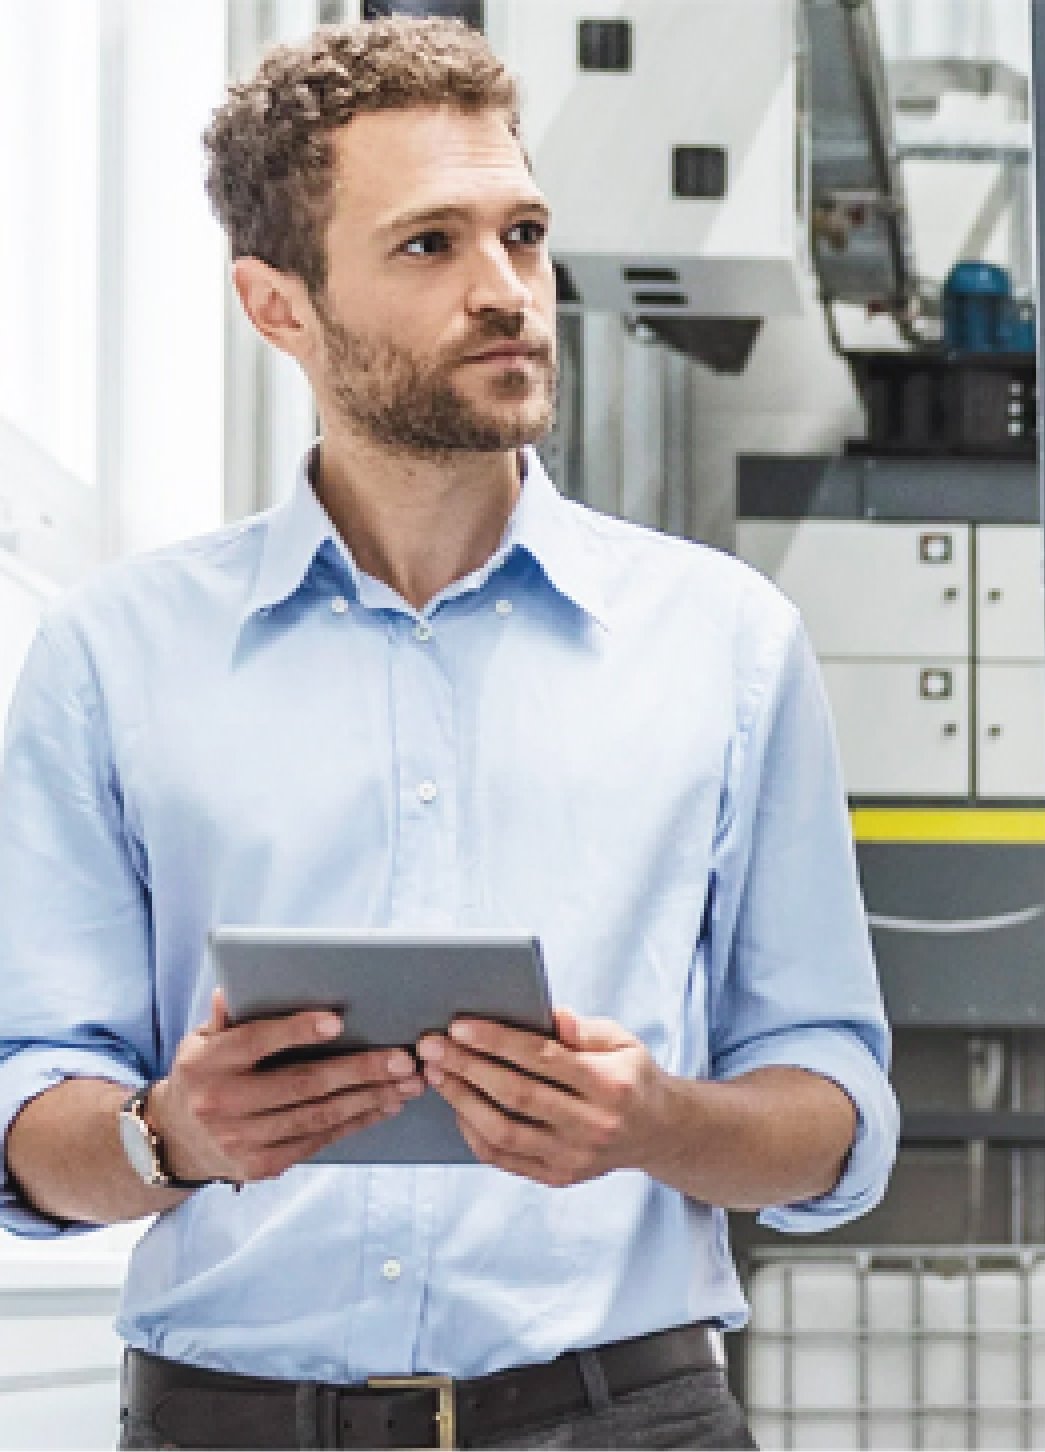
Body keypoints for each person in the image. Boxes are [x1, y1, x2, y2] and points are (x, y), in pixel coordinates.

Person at [0, 18, 897, 1450]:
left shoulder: (723, 641)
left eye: (523, 235)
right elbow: (30, 1119)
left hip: (624, 1416)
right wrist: (172, 1135)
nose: (508, 293)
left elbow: (835, 1106)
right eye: (431, 246)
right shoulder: (114, 655)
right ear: (276, 302)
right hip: (225, 1423)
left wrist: (654, 1122)